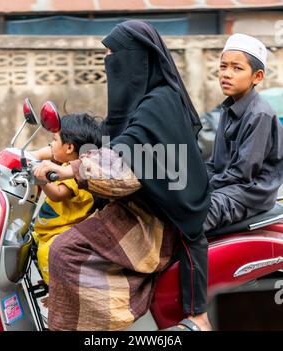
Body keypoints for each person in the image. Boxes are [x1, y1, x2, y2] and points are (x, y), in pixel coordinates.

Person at [34, 20, 211, 331]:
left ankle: (93, 325)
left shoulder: (158, 105)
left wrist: (71, 169)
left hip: (155, 220)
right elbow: (109, 140)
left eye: (114, 54)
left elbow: (127, 160)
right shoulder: (141, 101)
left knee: (64, 251)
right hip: (135, 207)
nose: (109, 62)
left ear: (138, 57)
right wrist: (50, 154)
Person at [204, 33, 283, 233]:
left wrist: (201, 188)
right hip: (230, 187)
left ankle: (195, 265)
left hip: (249, 194)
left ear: (257, 76)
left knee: (193, 215)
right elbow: (215, 163)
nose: (226, 74)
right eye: (223, 66)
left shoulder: (260, 114)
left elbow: (242, 174)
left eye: (237, 68)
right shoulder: (227, 109)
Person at [30, 113, 102, 286]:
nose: (50, 144)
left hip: (61, 231)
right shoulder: (65, 163)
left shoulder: (76, 174)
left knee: (46, 252)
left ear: (69, 148)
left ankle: (57, 290)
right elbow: (51, 152)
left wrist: (41, 178)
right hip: (48, 229)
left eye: (54, 140)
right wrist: (31, 155)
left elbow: (57, 193)